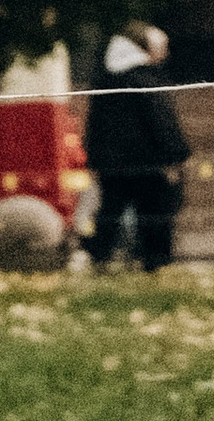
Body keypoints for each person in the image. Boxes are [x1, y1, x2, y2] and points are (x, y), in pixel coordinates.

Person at [84, 27, 189, 269]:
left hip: (112, 166)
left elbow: (94, 125)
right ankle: (155, 263)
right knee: (153, 216)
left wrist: (95, 159)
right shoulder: (146, 80)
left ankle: (99, 259)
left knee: (109, 215)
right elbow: (162, 121)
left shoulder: (105, 81)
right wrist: (176, 154)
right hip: (148, 164)